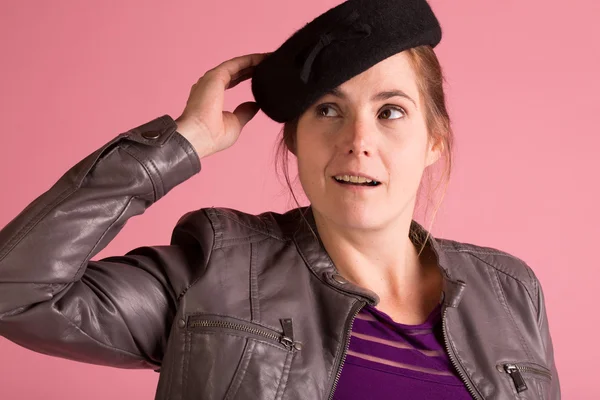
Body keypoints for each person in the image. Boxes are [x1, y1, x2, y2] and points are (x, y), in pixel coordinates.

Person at [0, 0, 560, 399]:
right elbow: (13, 291)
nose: (357, 142)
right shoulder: (216, 266)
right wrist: (179, 144)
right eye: (327, 110)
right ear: (293, 138)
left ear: (434, 138)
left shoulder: (511, 292)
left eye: (390, 112)